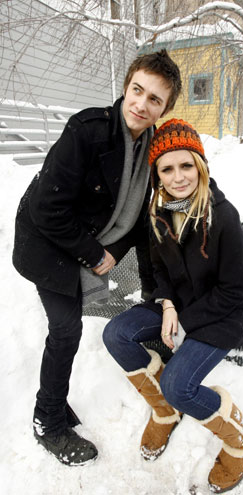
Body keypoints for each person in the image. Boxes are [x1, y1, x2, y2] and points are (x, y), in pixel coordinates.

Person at [12, 50, 182, 466]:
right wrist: (94, 255)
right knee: (66, 331)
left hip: (84, 238)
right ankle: (47, 420)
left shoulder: (150, 150)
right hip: (45, 241)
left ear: (165, 107)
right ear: (126, 87)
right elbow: (47, 209)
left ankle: (53, 403)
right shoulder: (88, 130)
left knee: (66, 330)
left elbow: (145, 227)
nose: (141, 104)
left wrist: (156, 293)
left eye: (154, 99)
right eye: (137, 91)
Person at [103, 119, 243, 493]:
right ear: (157, 176)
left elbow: (234, 292)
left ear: (200, 165)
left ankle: (241, 440)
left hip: (220, 315)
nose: (178, 177)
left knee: (178, 384)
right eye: (167, 169)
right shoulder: (160, 213)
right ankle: (164, 411)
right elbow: (160, 269)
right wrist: (169, 305)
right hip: (179, 307)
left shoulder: (224, 217)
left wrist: (185, 320)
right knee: (116, 334)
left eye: (186, 165)